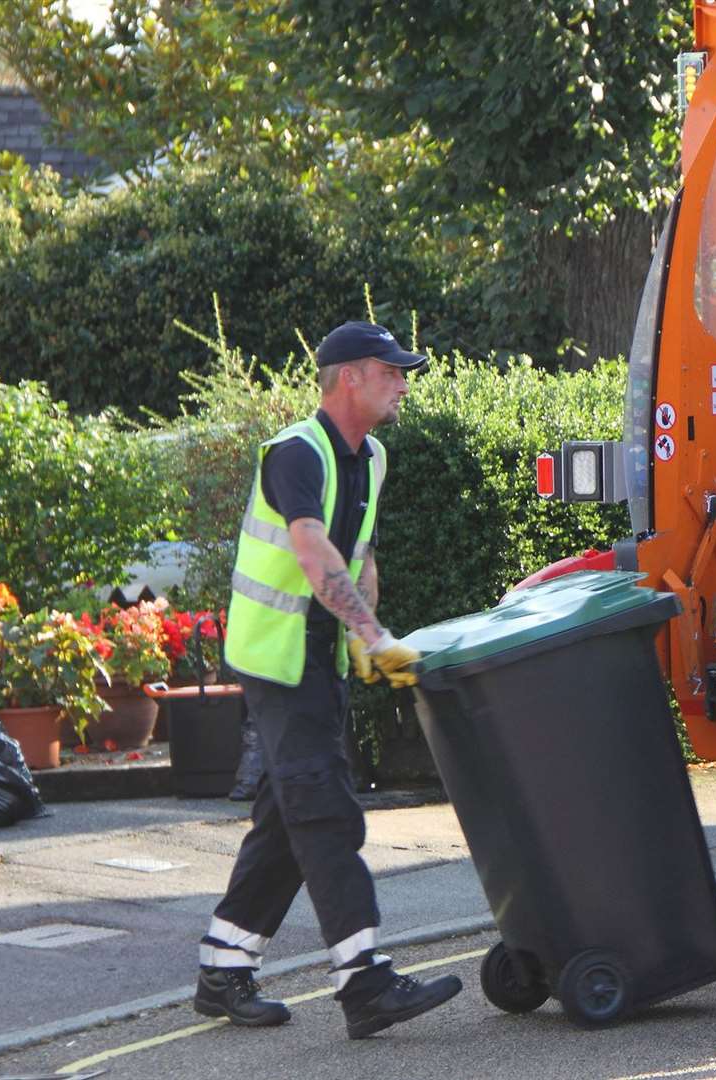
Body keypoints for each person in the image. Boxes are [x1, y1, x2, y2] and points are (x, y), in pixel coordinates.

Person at [194, 321, 462, 1039]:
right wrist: (371, 634)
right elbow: (312, 548)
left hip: (320, 658)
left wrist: (363, 633)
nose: (404, 383)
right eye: (392, 371)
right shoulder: (294, 453)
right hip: (278, 661)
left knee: (289, 817)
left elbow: (358, 555)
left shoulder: (370, 456)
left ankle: (224, 965)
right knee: (325, 810)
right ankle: (363, 980)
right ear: (349, 377)